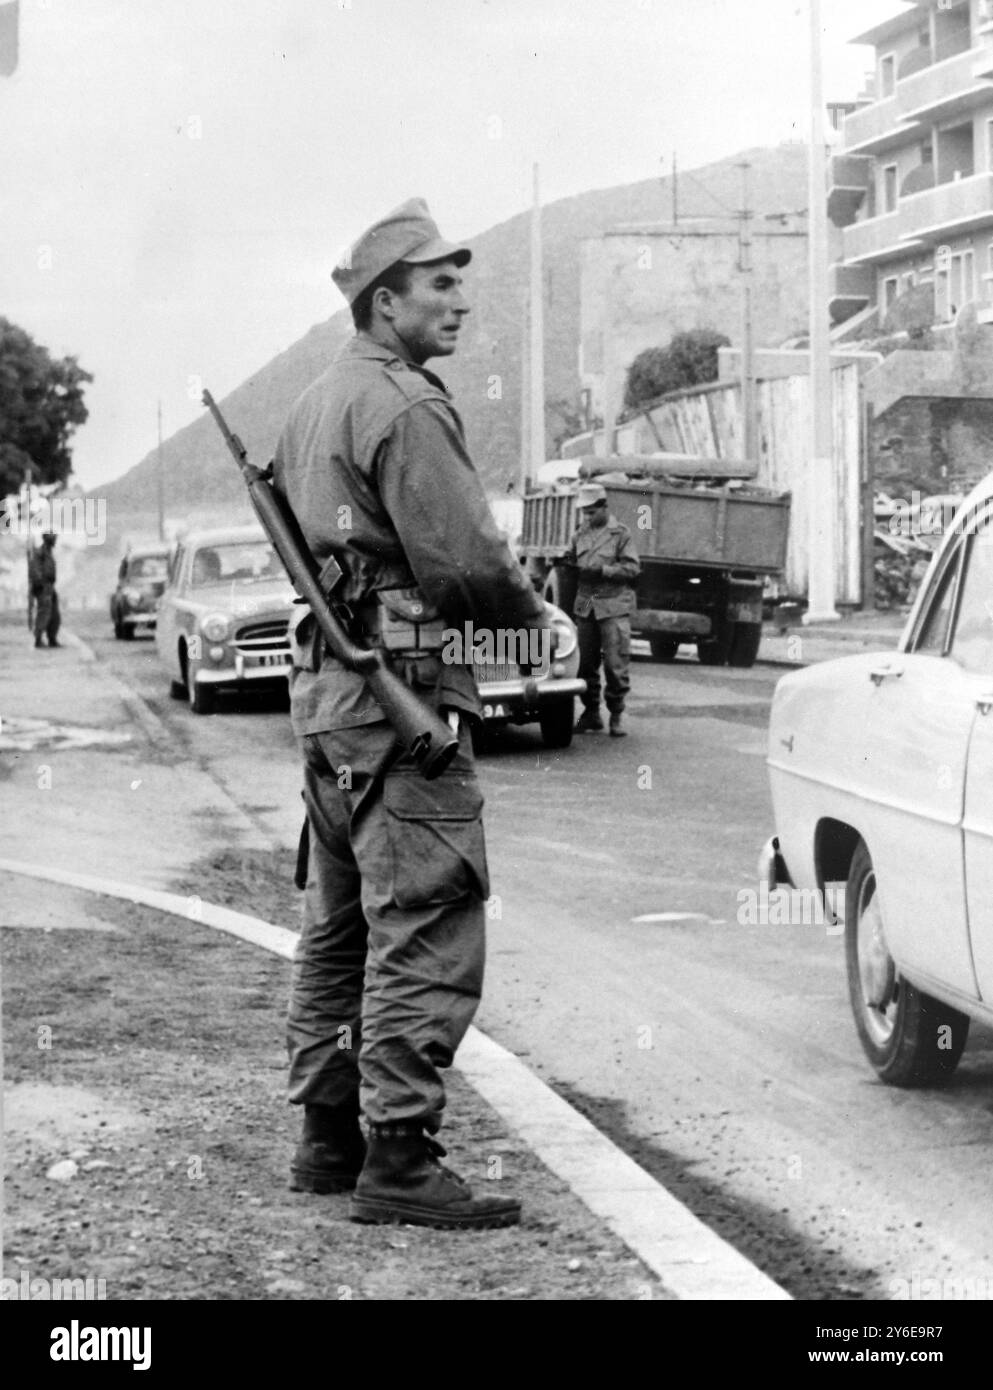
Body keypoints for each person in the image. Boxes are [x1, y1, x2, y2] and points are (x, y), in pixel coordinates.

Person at [272, 197, 548, 1230]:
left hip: (331, 708)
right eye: (440, 283)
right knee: (425, 919)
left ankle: (326, 1135)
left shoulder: (311, 405)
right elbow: (470, 565)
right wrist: (537, 621)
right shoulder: (406, 405)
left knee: (338, 927)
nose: (461, 300)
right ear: (385, 304)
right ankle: (399, 1153)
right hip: (399, 705)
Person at [564, 483, 641, 737]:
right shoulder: (579, 534)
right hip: (586, 604)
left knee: (615, 664)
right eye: (583, 513)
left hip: (612, 604)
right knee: (585, 664)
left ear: (603, 508)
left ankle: (616, 714)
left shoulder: (620, 534)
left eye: (590, 512)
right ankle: (591, 713)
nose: (586, 517)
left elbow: (632, 569)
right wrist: (568, 564)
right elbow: (571, 558)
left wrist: (604, 571)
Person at [29, 531, 61, 649]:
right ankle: (38, 639)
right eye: (53, 538)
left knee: (54, 615)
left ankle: (52, 639)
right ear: (48, 539)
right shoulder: (40, 552)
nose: (55, 540)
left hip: (50, 587)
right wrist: (40, 583)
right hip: (43, 587)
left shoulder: (48, 553)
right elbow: (35, 569)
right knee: (44, 613)